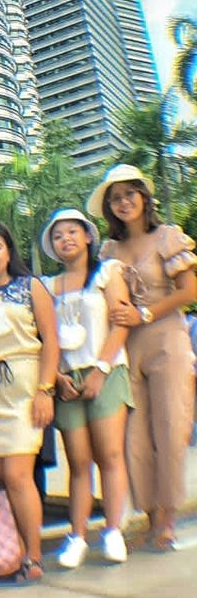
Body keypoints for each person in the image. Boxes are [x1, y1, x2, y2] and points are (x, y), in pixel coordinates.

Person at [88, 163, 197, 552]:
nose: (123, 203)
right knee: (133, 435)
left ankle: (167, 520)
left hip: (167, 338)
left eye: (129, 194)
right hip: (125, 345)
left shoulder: (167, 237)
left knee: (171, 427)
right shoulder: (108, 251)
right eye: (115, 198)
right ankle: (149, 516)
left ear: (144, 197)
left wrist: (145, 314)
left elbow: (189, 291)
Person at [0, 220, 59, 582]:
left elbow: (51, 341)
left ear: (8, 252)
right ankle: (14, 549)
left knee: (19, 475)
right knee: (2, 477)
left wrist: (45, 390)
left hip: (24, 386)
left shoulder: (30, 286)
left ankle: (33, 555)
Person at [40, 208, 132, 567]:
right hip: (67, 381)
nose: (66, 239)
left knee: (109, 454)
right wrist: (55, 377)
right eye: (58, 235)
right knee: (78, 461)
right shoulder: (47, 286)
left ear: (88, 236)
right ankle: (77, 536)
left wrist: (101, 370)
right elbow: (44, 337)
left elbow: (120, 323)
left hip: (106, 371)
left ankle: (113, 531)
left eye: (72, 232)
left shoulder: (107, 272)